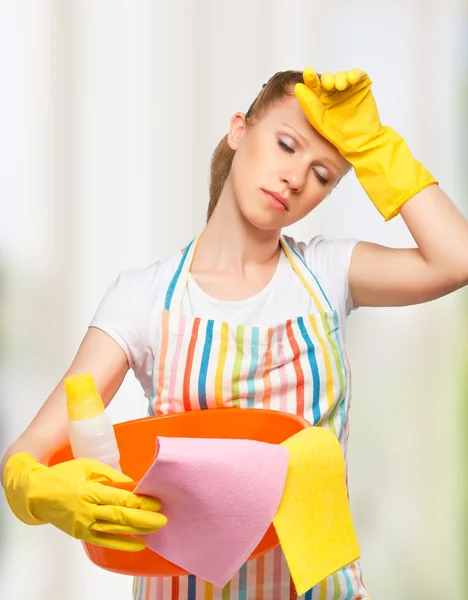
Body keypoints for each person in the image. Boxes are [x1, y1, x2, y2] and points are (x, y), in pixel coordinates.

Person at [2, 66, 468, 600]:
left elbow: (456, 260)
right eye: (287, 145)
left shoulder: (328, 274)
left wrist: (379, 146)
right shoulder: (146, 298)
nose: (295, 178)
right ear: (239, 129)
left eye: (322, 175)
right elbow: (31, 448)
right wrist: (32, 488)